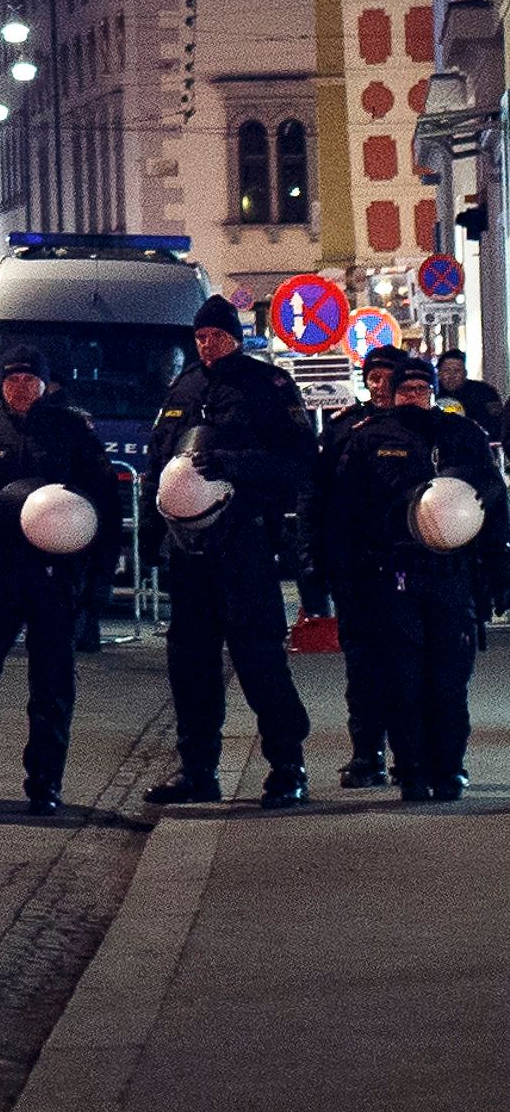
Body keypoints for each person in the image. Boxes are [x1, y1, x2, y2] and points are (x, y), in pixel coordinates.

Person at [0, 348, 124, 813]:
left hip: (54, 574)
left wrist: (97, 582)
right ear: (0, 383)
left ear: (44, 384)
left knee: (52, 686)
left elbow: (104, 509)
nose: (20, 388)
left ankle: (45, 786)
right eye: (12, 380)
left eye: (29, 380)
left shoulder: (72, 430)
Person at [144, 296, 317, 807]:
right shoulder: (184, 385)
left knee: (260, 659)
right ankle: (198, 770)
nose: (206, 343)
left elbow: (299, 458)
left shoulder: (267, 385)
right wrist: (156, 533)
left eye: (215, 335)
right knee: (190, 663)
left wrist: (234, 464)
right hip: (189, 548)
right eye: (199, 336)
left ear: (234, 336)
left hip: (243, 542)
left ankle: (287, 767)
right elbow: (159, 459)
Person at [317, 348, 505, 801]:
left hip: (450, 572)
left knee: (448, 676)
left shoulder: (461, 435)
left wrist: (499, 568)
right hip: (392, 573)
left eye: (422, 389)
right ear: (393, 393)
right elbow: (341, 510)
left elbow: (494, 498)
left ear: (434, 393)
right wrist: (339, 574)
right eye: (406, 389)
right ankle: (412, 768)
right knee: (400, 676)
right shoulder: (368, 437)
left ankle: (450, 767)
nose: (414, 396)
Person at [317, 348, 404, 784]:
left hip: (410, 566)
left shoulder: (425, 427)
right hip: (356, 564)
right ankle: (366, 754)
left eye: (389, 376)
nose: (380, 385)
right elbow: (318, 497)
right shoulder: (344, 427)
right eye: (373, 377)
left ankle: (413, 754)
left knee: (409, 662)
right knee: (362, 664)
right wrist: (312, 565)